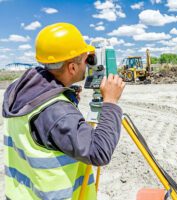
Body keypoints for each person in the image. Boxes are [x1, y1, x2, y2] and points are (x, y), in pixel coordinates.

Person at [3, 22, 125, 200]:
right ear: (72, 68)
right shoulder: (58, 112)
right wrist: (111, 102)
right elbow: (98, 152)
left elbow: (46, 129)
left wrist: (66, 94)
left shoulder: (19, 88)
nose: (88, 64)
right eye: (86, 59)